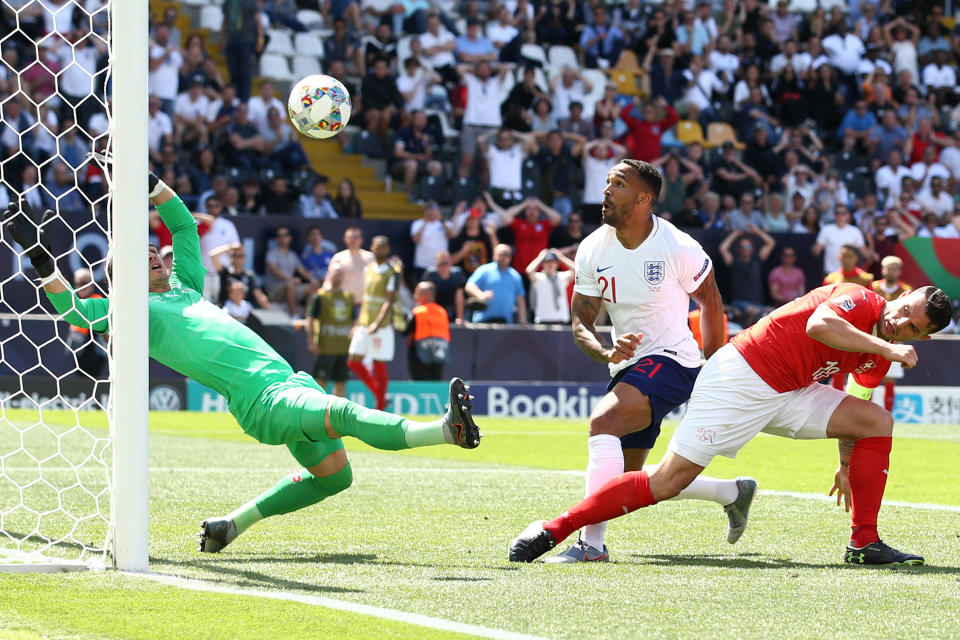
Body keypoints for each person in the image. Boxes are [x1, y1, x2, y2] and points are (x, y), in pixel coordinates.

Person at [3, 172, 481, 555]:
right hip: (265, 400)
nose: (151, 252)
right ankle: (446, 430)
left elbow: (184, 226)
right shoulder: (135, 310)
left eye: (152, 249)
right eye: (139, 254)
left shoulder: (184, 285)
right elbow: (73, 311)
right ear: (121, 276)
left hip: (287, 383)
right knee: (344, 413)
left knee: (336, 476)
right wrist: (43, 260)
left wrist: (149, 182)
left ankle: (231, 525)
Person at [511, 281, 952, 566]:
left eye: (911, 329)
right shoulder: (861, 298)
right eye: (903, 311)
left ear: (924, 337)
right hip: (740, 377)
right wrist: (888, 345)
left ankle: (864, 543)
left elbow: (859, 397)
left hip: (791, 391)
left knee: (877, 421)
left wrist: (844, 464)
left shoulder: (882, 346)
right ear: (902, 294)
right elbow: (821, 325)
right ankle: (555, 529)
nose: (899, 324)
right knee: (666, 482)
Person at [538, 159, 751, 564]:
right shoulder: (592, 248)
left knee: (603, 422)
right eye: (606, 182)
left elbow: (711, 301)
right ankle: (731, 492)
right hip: (628, 366)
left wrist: (714, 364)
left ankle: (590, 546)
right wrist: (605, 351)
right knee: (628, 483)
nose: (605, 190)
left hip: (674, 359)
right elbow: (580, 322)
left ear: (643, 198)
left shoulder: (677, 246)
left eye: (617, 183)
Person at [347, 236, 402, 411]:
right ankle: (380, 396)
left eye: (382, 247)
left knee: (379, 362)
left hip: (382, 325)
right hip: (364, 321)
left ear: (388, 249)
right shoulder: (369, 269)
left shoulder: (392, 271)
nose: (379, 250)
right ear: (371, 247)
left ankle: (379, 406)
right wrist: (357, 323)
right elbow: (365, 298)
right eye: (376, 246)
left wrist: (377, 324)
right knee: (353, 360)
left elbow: (389, 300)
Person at [871, 256, 912, 414]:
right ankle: (865, 415)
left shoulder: (906, 291)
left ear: (900, 271)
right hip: (871, 339)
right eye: (888, 268)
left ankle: (888, 415)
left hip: (895, 342)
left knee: (890, 380)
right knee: (868, 379)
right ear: (882, 269)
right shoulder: (872, 287)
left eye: (894, 269)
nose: (890, 271)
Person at [305, 266, 354, 398]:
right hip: (326, 347)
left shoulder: (348, 297)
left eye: (340, 274)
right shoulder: (321, 296)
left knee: (341, 382)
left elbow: (354, 322)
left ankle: (337, 415)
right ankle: (315, 410)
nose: (337, 277)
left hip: (344, 347)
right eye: (335, 274)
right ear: (329, 275)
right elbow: (310, 319)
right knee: (320, 383)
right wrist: (311, 341)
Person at [718, 226, 776, 327]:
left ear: (752, 249)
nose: (746, 249)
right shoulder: (733, 262)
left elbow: (771, 243)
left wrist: (757, 231)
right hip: (739, 303)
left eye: (748, 247)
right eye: (744, 247)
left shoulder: (757, 259)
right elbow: (722, 249)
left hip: (758, 303)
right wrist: (735, 234)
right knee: (754, 311)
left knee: (774, 312)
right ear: (739, 249)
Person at [464, 244, 526, 324]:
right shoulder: (484, 270)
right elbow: (469, 286)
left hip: (506, 323)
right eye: (501, 254)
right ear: (494, 255)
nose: (503, 257)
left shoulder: (515, 275)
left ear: (510, 257)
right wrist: (480, 294)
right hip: (483, 322)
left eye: (506, 255)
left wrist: (522, 318)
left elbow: (520, 299)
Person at [264, 226, 318, 317]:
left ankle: (306, 316)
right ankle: (293, 316)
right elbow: (275, 270)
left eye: (285, 235)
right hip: (274, 291)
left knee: (313, 286)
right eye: (279, 236)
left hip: (291, 288)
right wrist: (291, 279)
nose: (283, 238)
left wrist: (313, 280)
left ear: (290, 238)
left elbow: (302, 271)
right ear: (277, 239)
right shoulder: (272, 253)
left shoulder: (292, 255)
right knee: (289, 284)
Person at [405, 282, 451, 380]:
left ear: (426, 295)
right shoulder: (442, 312)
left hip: (419, 355)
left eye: (418, 292)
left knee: (420, 384)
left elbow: (406, 331)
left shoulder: (417, 312)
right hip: (439, 354)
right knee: (435, 382)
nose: (415, 295)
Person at [325, 227, 374, 312]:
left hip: (364, 306)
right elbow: (329, 281)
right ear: (345, 239)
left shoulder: (371, 258)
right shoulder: (338, 257)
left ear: (361, 240)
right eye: (350, 238)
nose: (352, 241)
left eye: (355, 238)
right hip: (342, 305)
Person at [525, 249, 574, 325]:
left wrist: (560, 257)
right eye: (547, 262)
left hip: (561, 319)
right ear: (543, 264)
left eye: (553, 262)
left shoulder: (562, 277)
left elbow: (577, 270)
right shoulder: (539, 277)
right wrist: (540, 257)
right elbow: (529, 271)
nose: (550, 264)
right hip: (543, 319)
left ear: (557, 264)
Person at [410, 200, 455, 282]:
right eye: (428, 209)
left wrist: (441, 219)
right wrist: (425, 222)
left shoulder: (446, 223)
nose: (431, 212)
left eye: (434, 209)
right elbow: (415, 239)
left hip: (440, 265)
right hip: (422, 265)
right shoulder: (417, 223)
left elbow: (452, 235)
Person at [421, 250, 466, 324]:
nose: (443, 267)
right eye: (440, 264)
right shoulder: (430, 275)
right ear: (435, 264)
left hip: (452, 311)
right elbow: (425, 295)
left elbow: (459, 297)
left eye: (446, 263)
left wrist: (459, 317)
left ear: (451, 262)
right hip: (434, 311)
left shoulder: (457, 274)